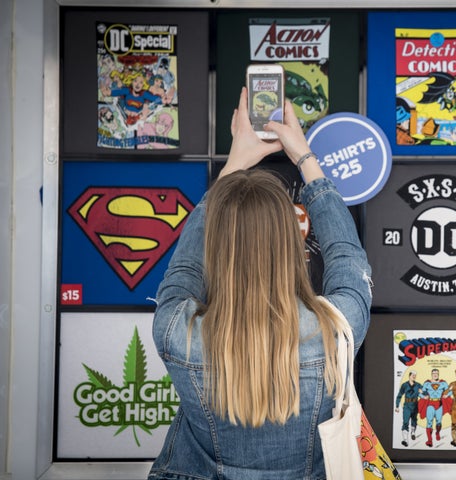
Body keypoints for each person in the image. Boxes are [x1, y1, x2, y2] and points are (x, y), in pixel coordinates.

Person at [148, 86, 373, 480]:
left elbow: (185, 268)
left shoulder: (174, 331)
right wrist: (304, 156)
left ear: (217, 246)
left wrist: (236, 161)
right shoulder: (336, 331)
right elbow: (347, 258)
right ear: (290, 244)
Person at [394, 370, 421, 446]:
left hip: (415, 405)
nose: (414, 376)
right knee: (405, 422)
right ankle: (405, 440)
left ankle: (413, 432)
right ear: (409, 375)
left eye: (415, 375)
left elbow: (425, 392)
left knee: (414, 420)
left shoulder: (418, 385)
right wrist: (397, 406)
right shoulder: (404, 385)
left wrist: (423, 392)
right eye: (413, 375)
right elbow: (399, 395)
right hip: (407, 406)